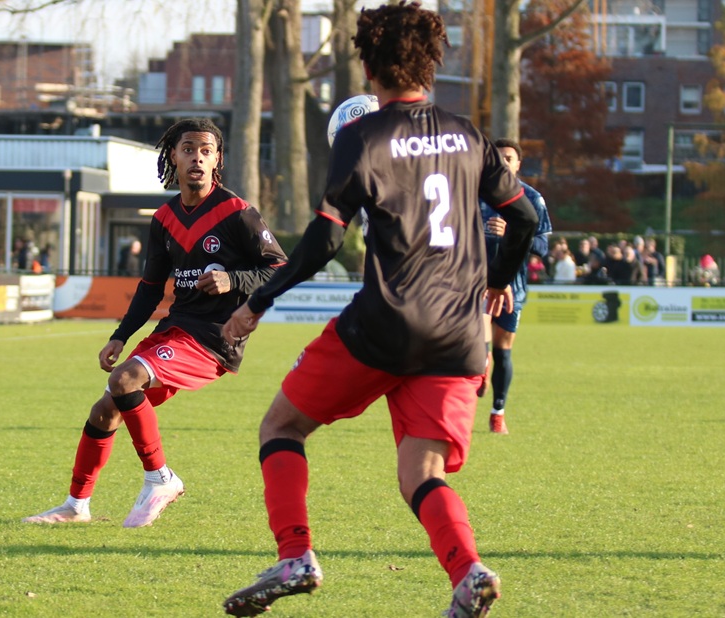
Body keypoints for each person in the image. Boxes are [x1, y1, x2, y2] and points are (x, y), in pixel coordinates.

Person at [219, 4, 539, 617]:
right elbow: (522, 216)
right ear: (432, 60)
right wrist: (496, 281)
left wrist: (258, 301)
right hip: (459, 333)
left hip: (386, 321)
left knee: (280, 428)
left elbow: (323, 240)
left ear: (368, 63)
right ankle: (468, 571)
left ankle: (295, 555)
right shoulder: (469, 135)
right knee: (421, 473)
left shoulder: (364, 136)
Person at [23, 117, 288, 528]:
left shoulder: (238, 213)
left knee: (125, 381)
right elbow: (149, 287)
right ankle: (76, 505)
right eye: (187, 149)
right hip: (175, 329)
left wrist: (232, 279)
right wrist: (120, 335)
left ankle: (161, 478)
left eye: (205, 150)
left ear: (217, 159)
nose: (196, 158)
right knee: (104, 411)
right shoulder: (164, 217)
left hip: (215, 338)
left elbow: (280, 268)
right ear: (173, 157)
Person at [478, 137, 552, 435]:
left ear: (518, 164)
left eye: (509, 158)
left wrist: (512, 231)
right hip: (477, 283)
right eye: (498, 158)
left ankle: (498, 412)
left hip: (514, 286)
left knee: (503, 350)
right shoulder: (473, 194)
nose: (504, 163)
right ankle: (480, 364)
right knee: (480, 344)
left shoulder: (532, 198)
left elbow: (543, 247)